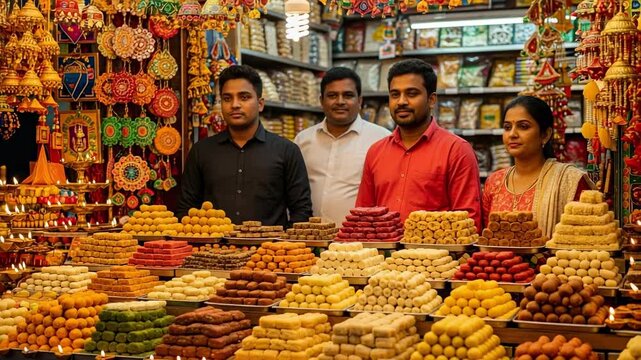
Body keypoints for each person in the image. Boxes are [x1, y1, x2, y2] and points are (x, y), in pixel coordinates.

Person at [176, 65, 313, 227]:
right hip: (213, 249)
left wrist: (284, 248)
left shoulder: (286, 151)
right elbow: (185, 209)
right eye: (227, 98)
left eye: (244, 97)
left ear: (260, 104)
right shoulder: (202, 151)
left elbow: (301, 211)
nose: (235, 105)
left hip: (268, 249)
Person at [355, 59, 482, 229]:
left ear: (431, 100)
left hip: (439, 254)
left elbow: (469, 221)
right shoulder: (376, 152)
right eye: (395, 94)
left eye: (412, 93)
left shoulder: (456, 150)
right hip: (381, 254)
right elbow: (363, 215)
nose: (401, 101)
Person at [482, 95, 594, 237]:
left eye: (523, 126)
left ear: (545, 135)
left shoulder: (569, 181)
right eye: (507, 127)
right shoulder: (494, 182)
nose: (512, 134)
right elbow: (487, 237)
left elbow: (587, 238)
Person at [294, 67, 391, 224]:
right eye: (332, 95)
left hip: (360, 240)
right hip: (311, 239)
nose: (340, 102)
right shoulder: (303, 140)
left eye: (348, 95)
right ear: (321, 100)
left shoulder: (382, 139)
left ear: (360, 101)